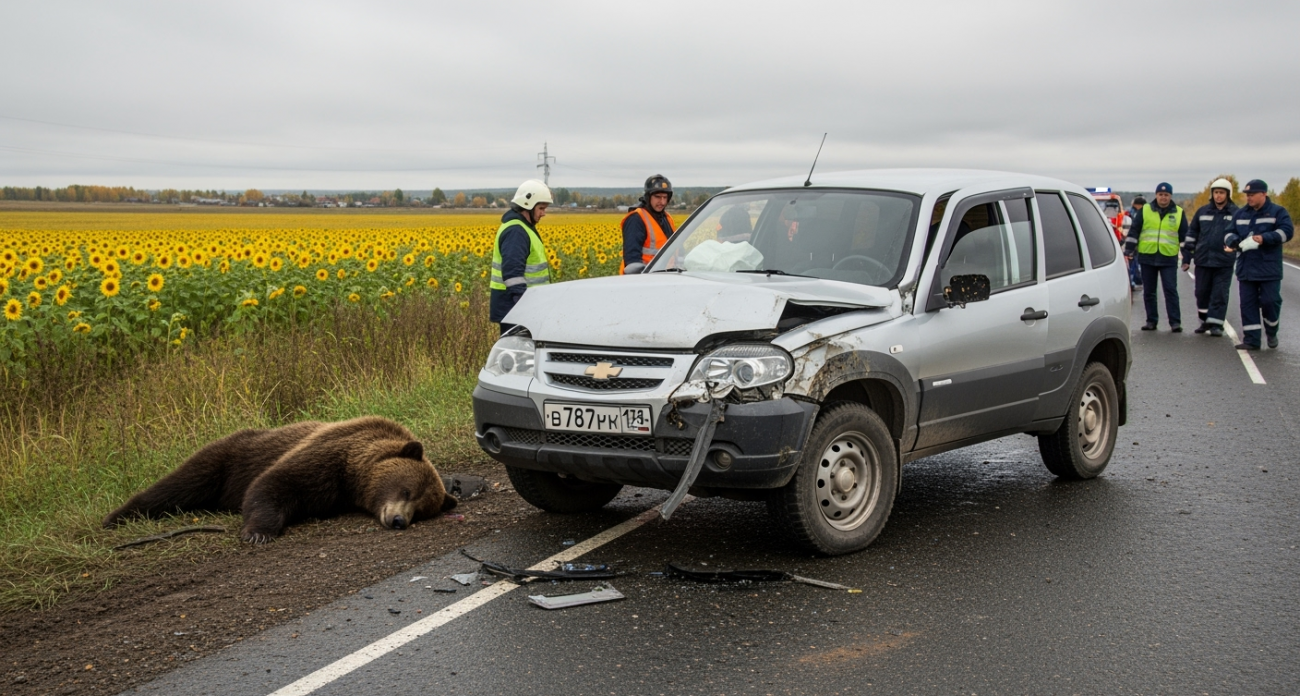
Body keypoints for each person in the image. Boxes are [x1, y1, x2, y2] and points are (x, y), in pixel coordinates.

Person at [1224, 179, 1294, 350]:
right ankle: (1252, 340)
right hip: (1246, 268)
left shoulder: (1277, 212)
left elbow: (1287, 232)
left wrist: (1265, 238)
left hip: (1268, 268)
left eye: (1252, 194)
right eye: (1247, 195)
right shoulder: (1241, 214)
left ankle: (1271, 330)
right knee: (1248, 305)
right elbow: (1228, 232)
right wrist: (1233, 242)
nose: (1249, 198)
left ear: (1264, 194)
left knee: (1271, 301)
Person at [489, 180, 552, 334]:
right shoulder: (516, 231)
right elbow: (513, 275)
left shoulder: (521, 227)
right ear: (527, 206)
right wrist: (524, 308)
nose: (544, 213)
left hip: (520, 308)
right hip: (516, 310)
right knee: (519, 355)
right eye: (541, 208)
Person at [1124, 183, 1188, 331]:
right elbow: (1134, 231)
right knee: (1149, 291)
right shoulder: (1145, 210)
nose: (1163, 197)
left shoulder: (1178, 212)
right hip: (1148, 256)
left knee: (1170, 290)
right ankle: (1151, 321)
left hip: (1168, 257)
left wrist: (1187, 257)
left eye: (1166, 195)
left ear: (1170, 196)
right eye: (1160, 194)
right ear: (1156, 195)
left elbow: (1184, 237)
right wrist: (1129, 250)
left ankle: (1175, 322)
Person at [1185, 178, 1239, 337]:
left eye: (1221, 193)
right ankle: (1205, 321)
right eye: (1216, 192)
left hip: (1224, 261)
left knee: (1220, 293)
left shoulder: (1236, 213)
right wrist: (1189, 251)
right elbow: (1192, 232)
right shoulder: (1202, 212)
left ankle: (1216, 324)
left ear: (1228, 194)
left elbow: (1240, 233)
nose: (1218, 196)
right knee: (1201, 292)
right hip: (1203, 259)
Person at [621, 174, 676, 274]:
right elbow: (632, 260)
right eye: (658, 197)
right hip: (643, 279)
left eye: (665, 197)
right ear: (648, 197)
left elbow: (677, 250)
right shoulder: (636, 219)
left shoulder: (667, 218)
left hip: (665, 277)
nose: (662, 202)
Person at [1125, 196, 1146, 289]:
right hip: (1138, 244)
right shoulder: (1139, 214)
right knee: (1134, 263)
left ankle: (1133, 281)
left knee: (1133, 263)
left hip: (1135, 243)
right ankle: (1135, 280)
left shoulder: (1131, 214)